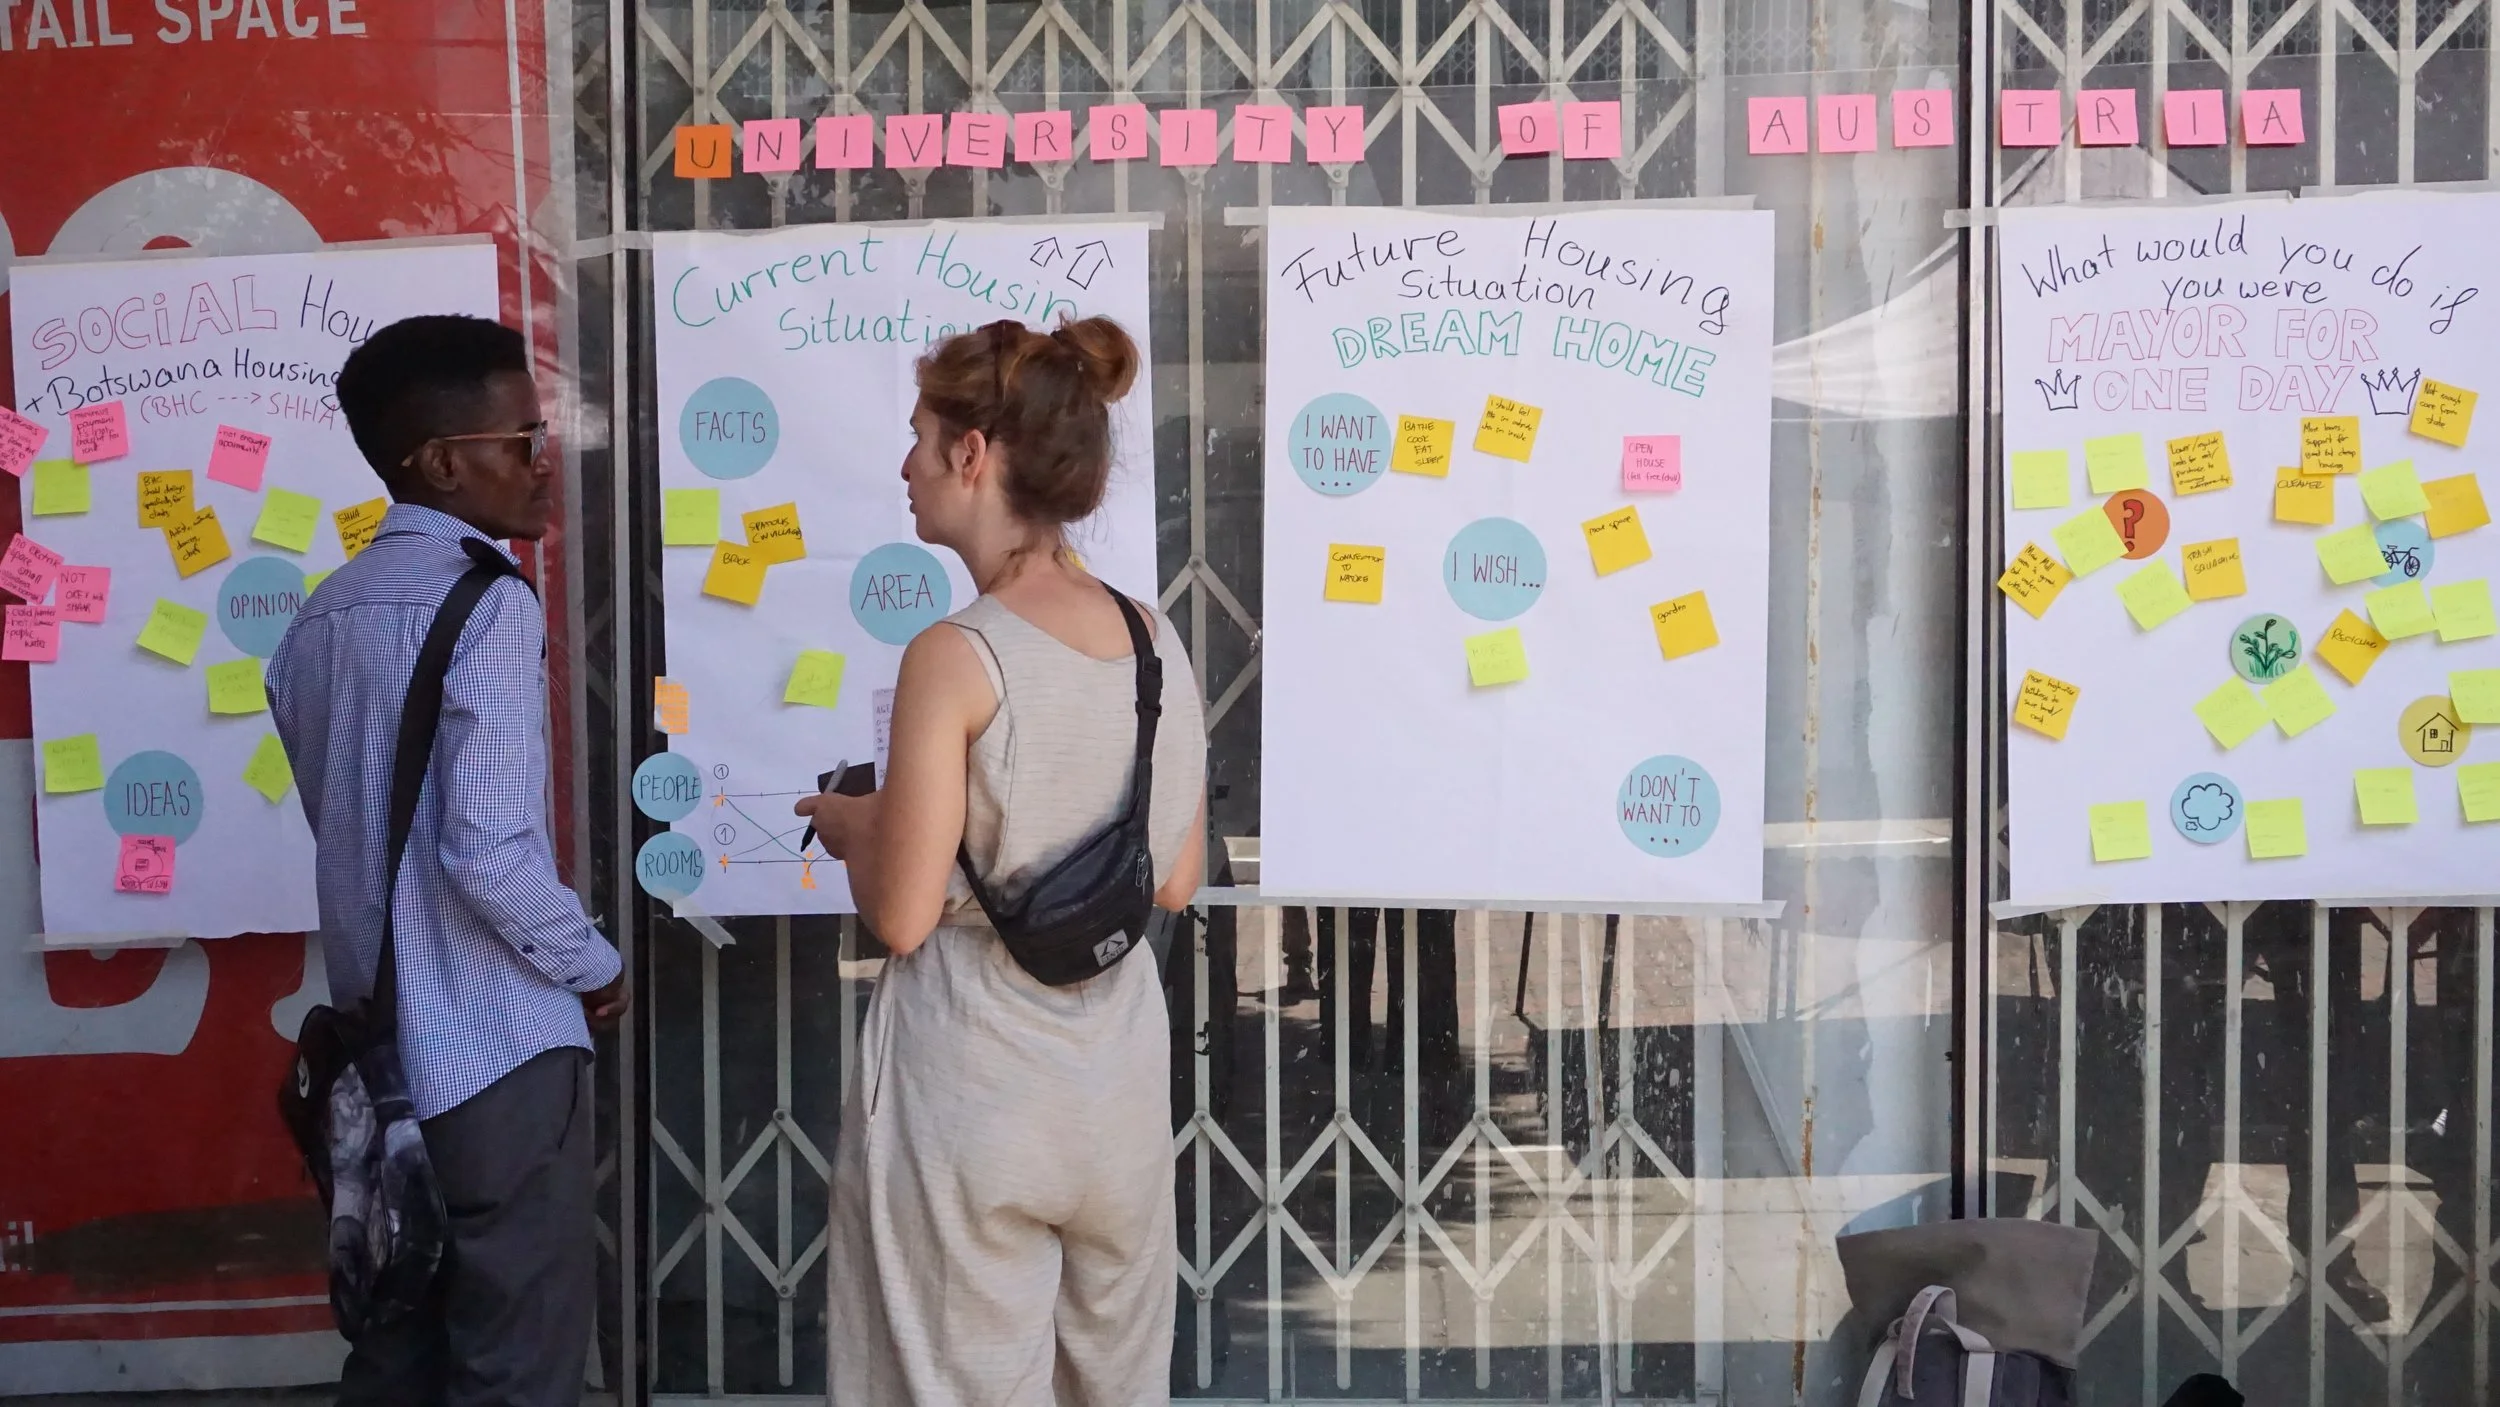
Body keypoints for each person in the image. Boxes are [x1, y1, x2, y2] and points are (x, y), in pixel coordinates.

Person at [799, 316, 1207, 1404]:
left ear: (971, 455)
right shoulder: (1152, 640)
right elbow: (1173, 878)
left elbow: (901, 915)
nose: (905, 463)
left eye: (921, 436)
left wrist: (854, 827)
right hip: (1114, 1094)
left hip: (971, 1097)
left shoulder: (955, 654)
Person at [268, 314, 626, 1407]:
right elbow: (489, 847)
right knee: (516, 1357)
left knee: (395, 1343)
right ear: (439, 464)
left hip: (378, 1055)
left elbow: (353, 826)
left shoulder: (319, 620)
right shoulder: (489, 606)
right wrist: (592, 964)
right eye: (520, 439)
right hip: (495, 1052)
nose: (540, 461)